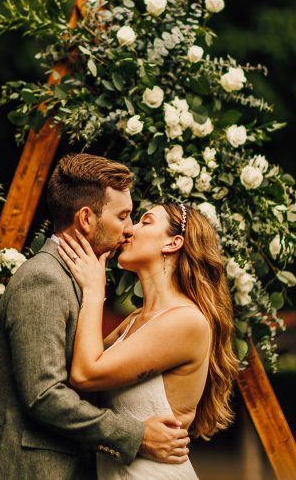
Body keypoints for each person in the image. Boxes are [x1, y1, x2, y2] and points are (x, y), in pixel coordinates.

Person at [0, 153, 191, 480]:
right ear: (87, 219)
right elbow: (44, 396)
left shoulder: (77, 279)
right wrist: (136, 435)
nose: (129, 229)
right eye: (123, 216)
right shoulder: (44, 279)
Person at [56, 201, 239, 479]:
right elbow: (76, 366)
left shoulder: (185, 321)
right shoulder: (134, 320)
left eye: (146, 222)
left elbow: (85, 374)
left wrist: (94, 292)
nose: (130, 229)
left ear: (173, 243)